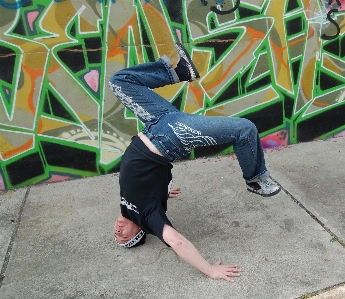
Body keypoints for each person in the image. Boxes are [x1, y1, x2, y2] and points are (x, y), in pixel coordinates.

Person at [108, 42, 280, 282]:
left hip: (155, 122)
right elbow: (177, 242)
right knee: (244, 129)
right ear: (139, 233)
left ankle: (181, 72)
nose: (118, 231)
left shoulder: (128, 207)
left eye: (116, 234)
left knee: (119, 81)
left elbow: (142, 181)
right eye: (124, 237)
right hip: (170, 135)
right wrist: (210, 270)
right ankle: (256, 179)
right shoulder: (149, 219)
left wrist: (164, 191)